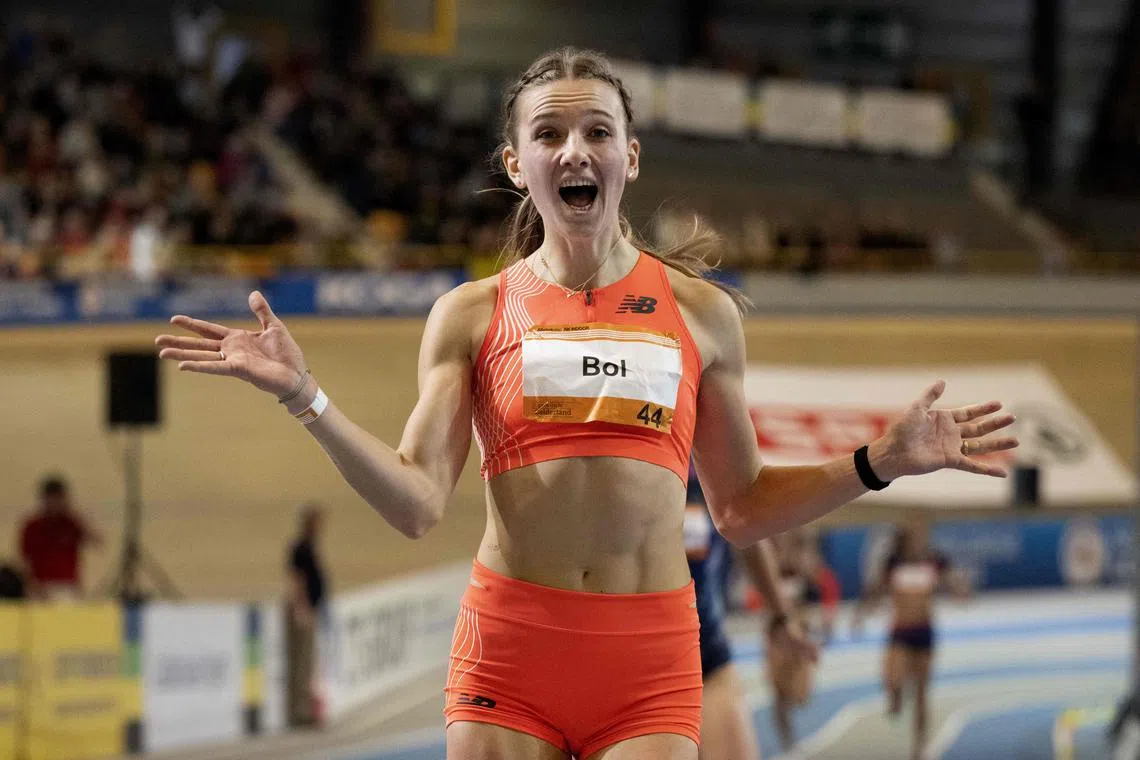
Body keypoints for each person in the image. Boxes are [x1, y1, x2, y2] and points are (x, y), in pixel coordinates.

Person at [155, 47, 1018, 760]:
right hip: (511, 647)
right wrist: (307, 397)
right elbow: (417, 502)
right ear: (516, 164)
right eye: (549, 133)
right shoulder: (471, 315)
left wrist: (878, 462)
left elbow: (743, 510)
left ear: (629, 157)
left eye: (598, 131)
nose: (575, 150)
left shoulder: (702, 315)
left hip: (649, 657)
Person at [684, 472, 818, 760]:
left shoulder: (711, 465)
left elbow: (749, 532)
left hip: (706, 654)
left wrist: (782, 618)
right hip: (626, 663)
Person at [853, 518, 969, 760]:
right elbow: (876, 591)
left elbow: (955, 585)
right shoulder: (893, 562)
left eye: (924, 531)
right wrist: (861, 615)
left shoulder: (935, 560)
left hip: (924, 632)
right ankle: (895, 695)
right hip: (900, 632)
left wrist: (960, 590)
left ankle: (919, 749)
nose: (920, 536)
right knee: (894, 680)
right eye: (916, 531)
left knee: (921, 694)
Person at [766, 528, 840, 751]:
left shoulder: (805, 566)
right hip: (776, 638)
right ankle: (788, 744)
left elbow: (825, 584)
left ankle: (789, 733)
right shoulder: (770, 566)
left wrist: (827, 620)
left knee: (801, 698)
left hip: (799, 636)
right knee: (778, 696)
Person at [18, 474, 103, 601]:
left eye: (57, 499)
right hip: (40, 587)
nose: (54, 504)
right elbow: (24, 560)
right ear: (44, 499)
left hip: (67, 587)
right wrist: (32, 586)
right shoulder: (32, 526)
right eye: (50, 499)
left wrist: (81, 518)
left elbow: (97, 542)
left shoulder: (73, 522)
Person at [286, 502, 327, 728]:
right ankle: (299, 712)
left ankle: (306, 708)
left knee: (308, 662)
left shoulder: (310, 546)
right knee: (301, 662)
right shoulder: (301, 547)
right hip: (304, 610)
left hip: (311, 608)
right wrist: (301, 608)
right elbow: (296, 579)